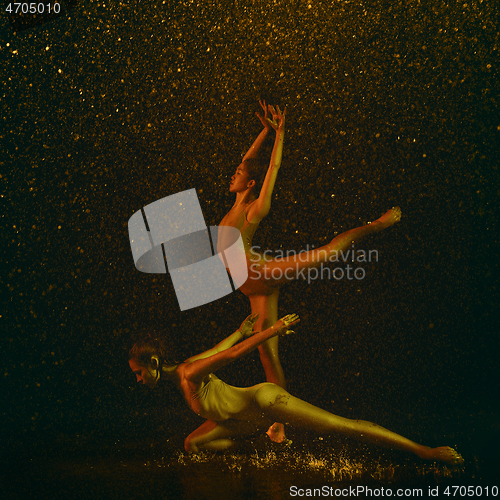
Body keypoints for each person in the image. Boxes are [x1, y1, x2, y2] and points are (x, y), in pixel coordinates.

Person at [217, 101, 402, 441]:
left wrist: (281, 136)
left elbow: (271, 167)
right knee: (267, 353)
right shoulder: (235, 203)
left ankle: (376, 225)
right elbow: (250, 159)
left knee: (328, 253)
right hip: (252, 288)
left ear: (251, 182)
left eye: (239, 174)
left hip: (261, 274)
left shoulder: (255, 209)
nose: (233, 173)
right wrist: (265, 131)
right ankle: (280, 421)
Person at [128, 313, 463, 465]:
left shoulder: (188, 374)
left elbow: (230, 357)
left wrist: (271, 330)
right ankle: (249, 453)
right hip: (242, 420)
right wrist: (241, 331)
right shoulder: (186, 371)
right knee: (192, 444)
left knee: (339, 426)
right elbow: (221, 349)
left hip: (264, 401)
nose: (138, 380)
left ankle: (423, 450)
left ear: (154, 362)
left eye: (140, 373)